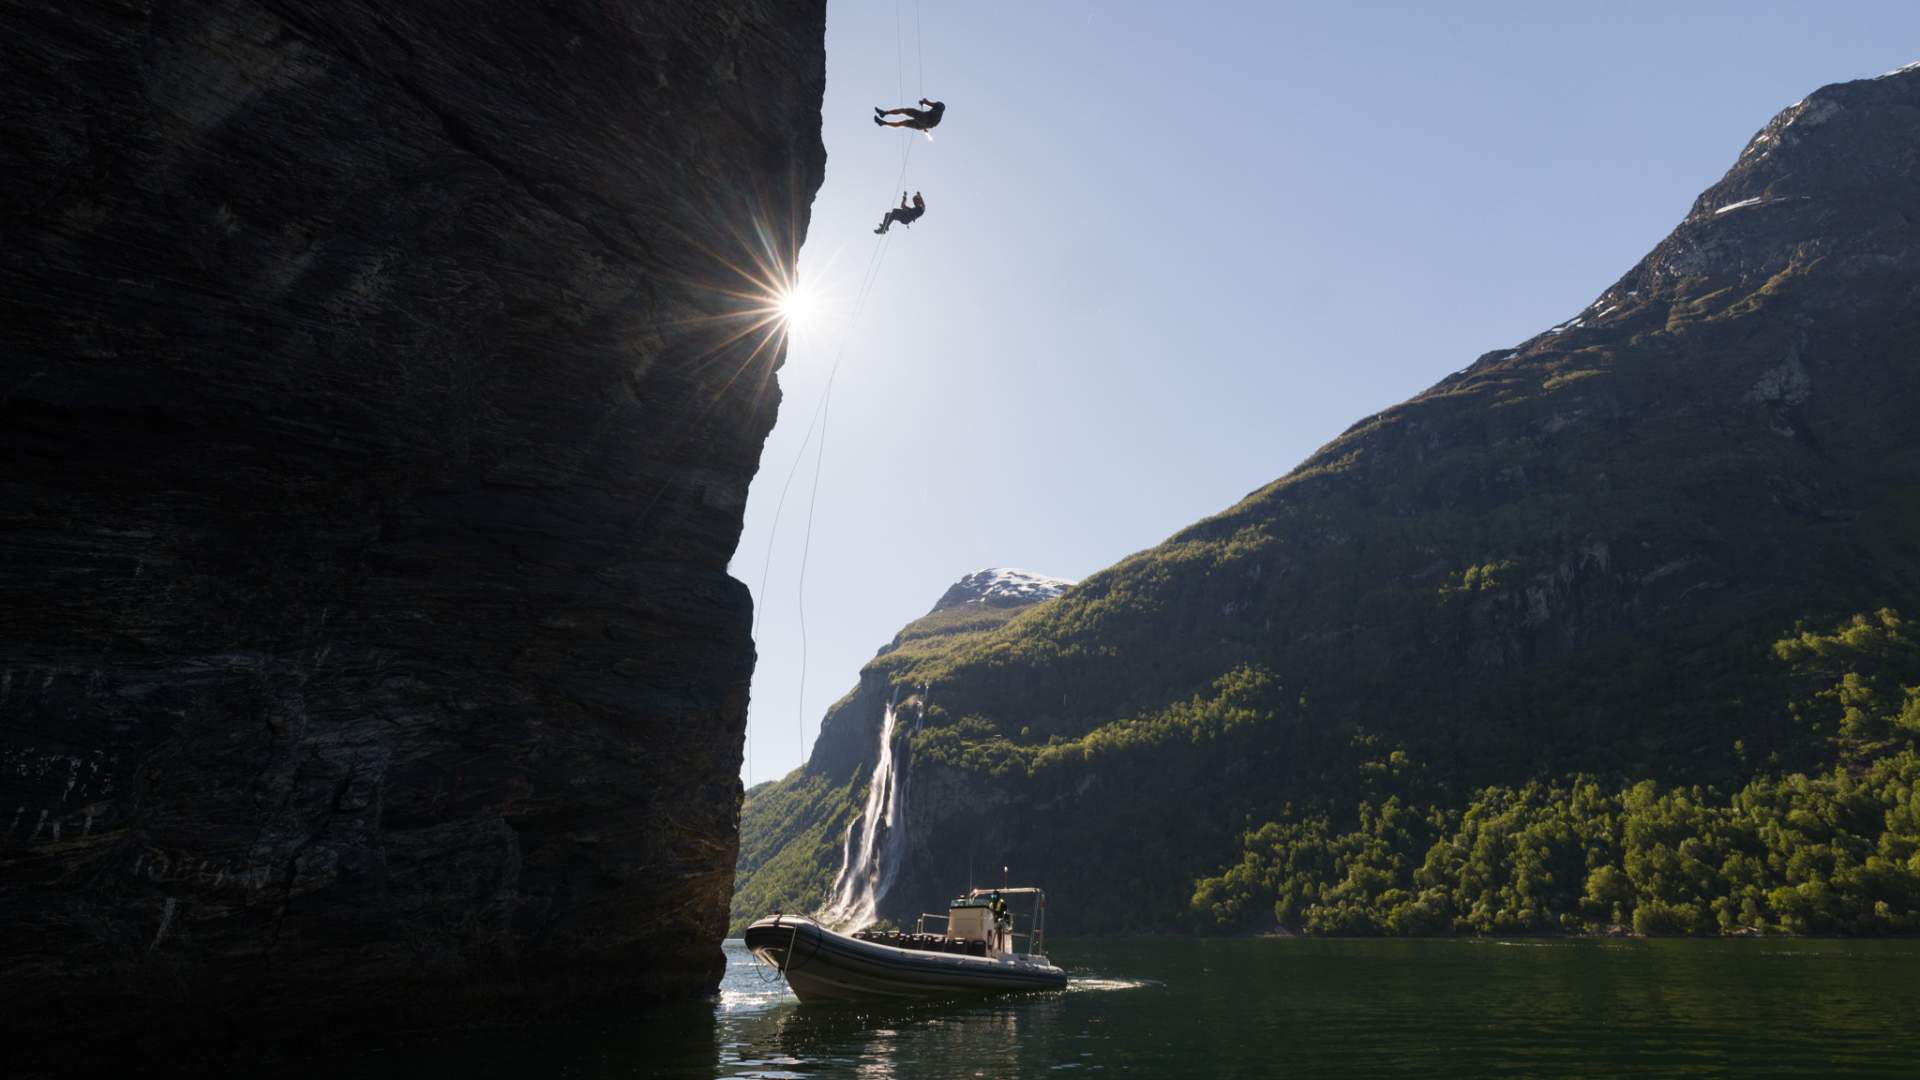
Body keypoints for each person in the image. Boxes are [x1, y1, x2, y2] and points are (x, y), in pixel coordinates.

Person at [874, 98, 946, 130]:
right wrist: (925, 128)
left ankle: (884, 113)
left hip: (924, 118)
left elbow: (927, 102)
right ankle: (883, 123)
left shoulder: (939, 105)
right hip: (922, 126)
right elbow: (931, 125)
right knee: (902, 123)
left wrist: (923, 101)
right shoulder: (939, 116)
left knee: (904, 111)